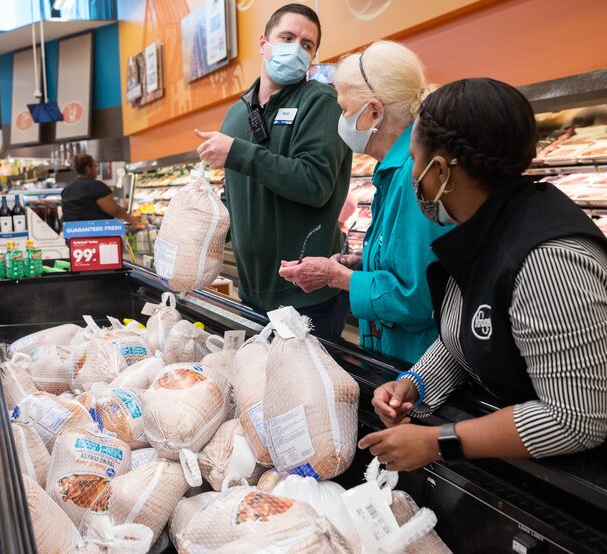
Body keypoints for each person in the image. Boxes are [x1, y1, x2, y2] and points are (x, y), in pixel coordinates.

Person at [359, 78, 607, 471]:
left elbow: (575, 418)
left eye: (414, 162)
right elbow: (479, 329)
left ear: (440, 171)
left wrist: (439, 442)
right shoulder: (488, 224)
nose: (413, 178)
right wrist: (416, 383)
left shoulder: (548, 262)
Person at [279, 41, 449, 364]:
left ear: (374, 111)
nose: (340, 120)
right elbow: (404, 264)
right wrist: (359, 266)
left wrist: (336, 277)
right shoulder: (394, 169)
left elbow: (417, 299)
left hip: (419, 370)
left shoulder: (413, 176)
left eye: (344, 109)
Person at [195, 3, 351, 340]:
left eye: (307, 45)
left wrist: (239, 152)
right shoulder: (237, 114)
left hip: (307, 296)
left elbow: (315, 183)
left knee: (308, 393)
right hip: (251, 292)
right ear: (264, 43)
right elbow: (234, 193)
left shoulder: (320, 103)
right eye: (287, 37)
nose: (296, 48)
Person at [61, 154, 140, 224]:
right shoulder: (96, 187)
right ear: (88, 169)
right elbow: (114, 210)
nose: (97, 170)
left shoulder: (67, 189)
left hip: (73, 236)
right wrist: (131, 219)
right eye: (95, 166)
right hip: (97, 235)